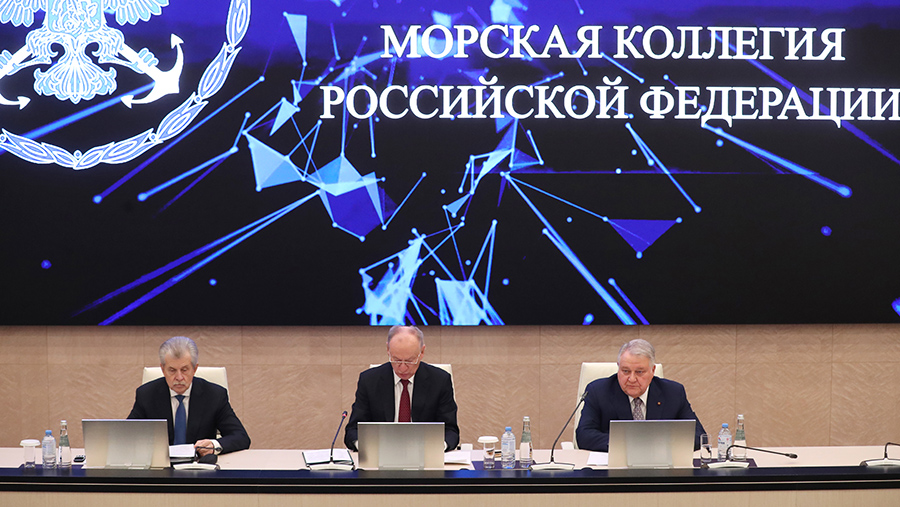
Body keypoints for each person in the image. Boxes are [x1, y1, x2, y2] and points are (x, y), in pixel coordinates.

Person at [575, 339, 705, 452]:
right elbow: (584, 435)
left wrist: (658, 445)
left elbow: (698, 435)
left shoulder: (673, 392)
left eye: (639, 372)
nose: (631, 379)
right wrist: (631, 444)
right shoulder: (598, 391)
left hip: (660, 464)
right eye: (625, 371)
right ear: (618, 368)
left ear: (652, 371)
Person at [128, 336, 250, 456]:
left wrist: (214, 445)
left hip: (199, 465)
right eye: (172, 370)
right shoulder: (146, 395)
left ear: (194, 369)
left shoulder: (214, 395)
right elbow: (127, 435)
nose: (179, 377)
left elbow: (241, 437)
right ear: (163, 369)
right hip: (160, 465)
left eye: (184, 370)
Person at [344, 325, 459, 452]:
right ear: (388, 350)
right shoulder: (369, 380)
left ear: (422, 352)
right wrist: (366, 447)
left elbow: (451, 431)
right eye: (396, 360)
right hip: (382, 454)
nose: (403, 368)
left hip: (425, 454)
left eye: (410, 361)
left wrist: (437, 448)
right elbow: (353, 430)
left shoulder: (440, 381)